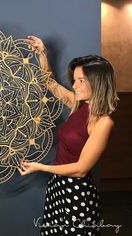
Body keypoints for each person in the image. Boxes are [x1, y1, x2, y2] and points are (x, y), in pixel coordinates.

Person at [19, 36, 118, 235]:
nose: (75, 86)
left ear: (98, 82)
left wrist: (41, 167)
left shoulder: (103, 122)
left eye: (81, 81)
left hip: (78, 194)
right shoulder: (77, 104)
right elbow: (49, 83)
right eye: (75, 80)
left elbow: (81, 170)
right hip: (58, 185)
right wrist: (42, 53)